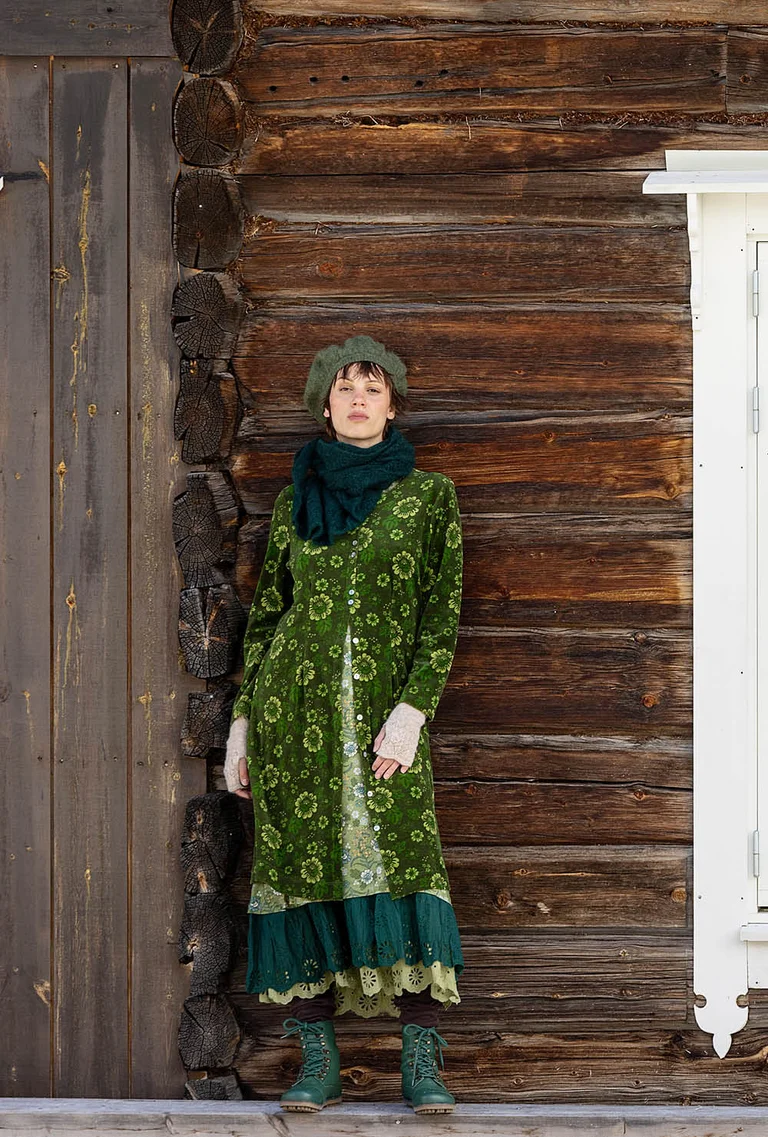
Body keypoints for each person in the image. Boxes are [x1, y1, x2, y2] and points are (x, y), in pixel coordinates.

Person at [224, 334, 464, 1114]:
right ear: (324, 406)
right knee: (302, 877)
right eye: (343, 389)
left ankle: (420, 1063)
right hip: (293, 726)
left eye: (372, 388)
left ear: (393, 404)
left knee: (402, 870)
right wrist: (243, 726)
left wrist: (412, 709)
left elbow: (441, 615)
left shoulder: (430, 498)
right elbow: (269, 618)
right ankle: (316, 1062)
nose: (358, 399)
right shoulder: (298, 498)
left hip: (382, 726)